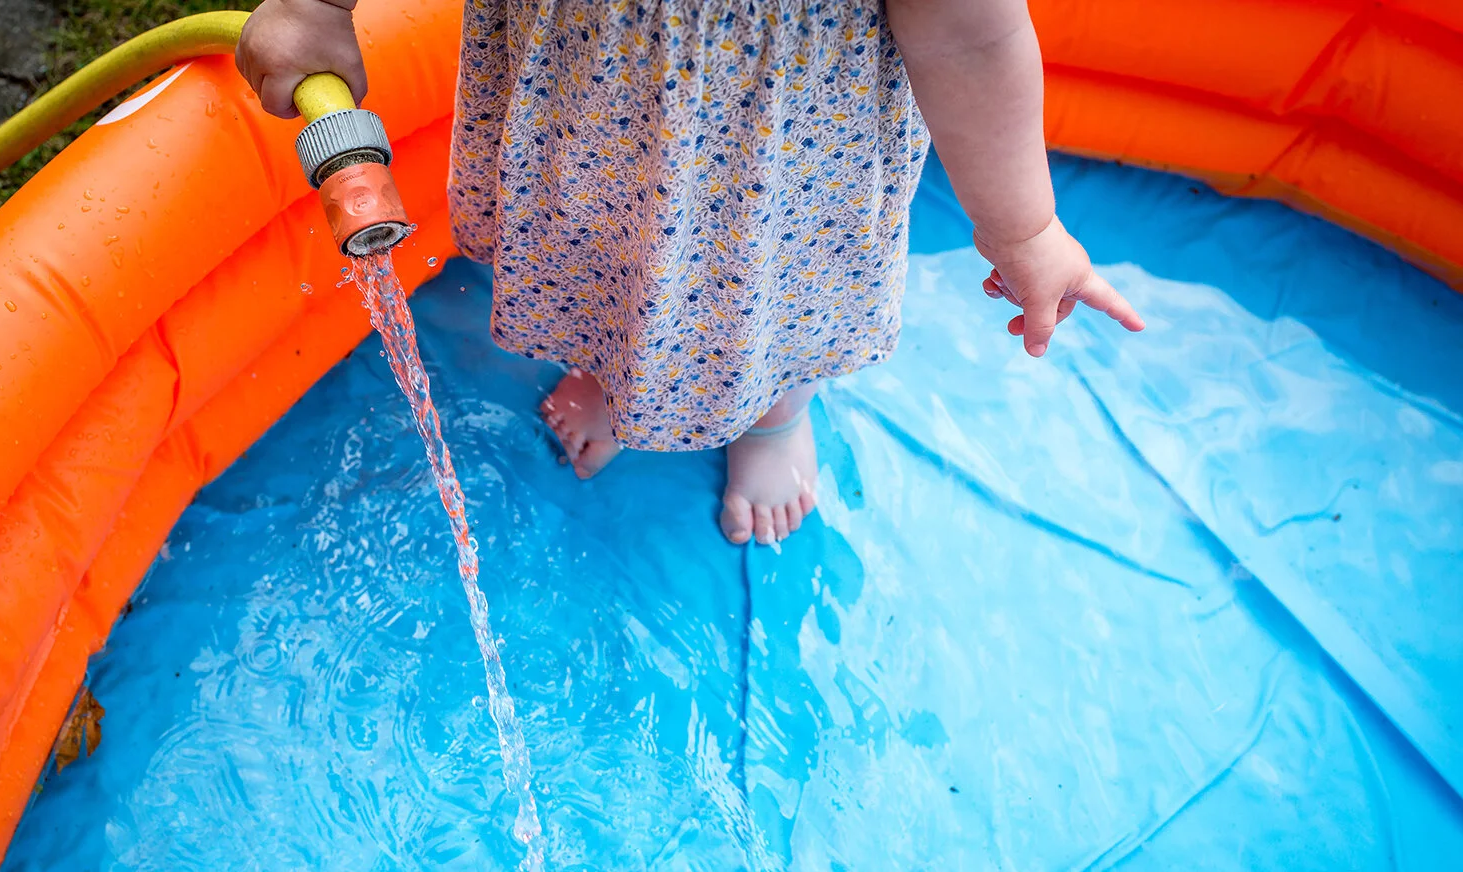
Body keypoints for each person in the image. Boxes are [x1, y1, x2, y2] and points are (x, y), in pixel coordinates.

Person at [236, 0, 1144, 546]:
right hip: (592, 89)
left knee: (769, 304)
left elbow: (969, 35)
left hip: (773, 150)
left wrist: (1022, 227)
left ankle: (773, 415)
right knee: (591, 255)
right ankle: (615, 368)